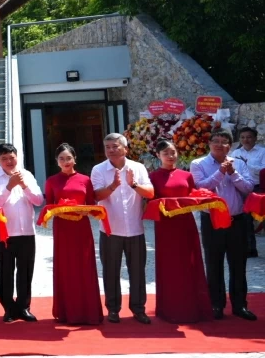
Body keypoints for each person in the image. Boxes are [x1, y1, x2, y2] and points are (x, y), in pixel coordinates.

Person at [191, 128, 257, 320]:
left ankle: (240, 306)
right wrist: (220, 172)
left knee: (238, 264)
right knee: (214, 263)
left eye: (224, 142)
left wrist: (233, 172)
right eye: (216, 141)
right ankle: (216, 305)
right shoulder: (198, 164)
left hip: (237, 220)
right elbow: (201, 187)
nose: (220, 145)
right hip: (211, 220)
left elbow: (248, 188)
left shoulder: (239, 163)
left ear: (230, 146)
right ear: (209, 144)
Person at [91, 133, 153, 324]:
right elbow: (95, 196)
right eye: (107, 146)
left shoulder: (138, 167)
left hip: (135, 228)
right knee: (110, 271)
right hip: (110, 229)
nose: (111, 150)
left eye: (115, 146)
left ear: (125, 149)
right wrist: (113, 186)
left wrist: (133, 184)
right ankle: (113, 309)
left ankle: (138, 308)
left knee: (137, 271)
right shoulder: (98, 169)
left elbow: (150, 193)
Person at [149, 139, 213, 323]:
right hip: (166, 225)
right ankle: (171, 309)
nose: (170, 156)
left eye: (173, 152)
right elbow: (150, 202)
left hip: (186, 223)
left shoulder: (186, 175)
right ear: (158, 156)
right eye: (166, 153)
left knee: (190, 262)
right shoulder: (153, 177)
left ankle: (194, 307)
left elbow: (193, 195)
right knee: (170, 265)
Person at [43, 143, 102, 325]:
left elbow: (93, 205)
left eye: (69, 158)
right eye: (62, 158)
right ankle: (68, 312)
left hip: (81, 229)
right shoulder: (52, 181)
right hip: (63, 229)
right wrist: (57, 211)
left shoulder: (85, 180)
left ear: (75, 158)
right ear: (56, 161)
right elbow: (48, 207)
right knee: (66, 267)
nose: (66, 161)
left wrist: (88, 211)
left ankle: (89, 312)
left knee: (84, 266)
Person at [0, 143, 43, 323]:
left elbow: (38, 199)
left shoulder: (26, 174)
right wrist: (9, 187)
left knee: (26, 271)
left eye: (12, 157)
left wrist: (24, 185)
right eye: (4, 159)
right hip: (4, 233)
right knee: (6, 271)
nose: (9, 161)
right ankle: (9, 308)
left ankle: (24, 307)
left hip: (26, 231)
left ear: (17, 156)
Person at [231, 127, 264, 257]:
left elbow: (263, 170)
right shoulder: (235, 153)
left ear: (255, 138)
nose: (246, 140)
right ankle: (250, 249)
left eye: (249, 137)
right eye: (243, 137)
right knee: (245, 219)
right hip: (242, 188)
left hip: (259, 188)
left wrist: (247, 164)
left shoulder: (262, 152)